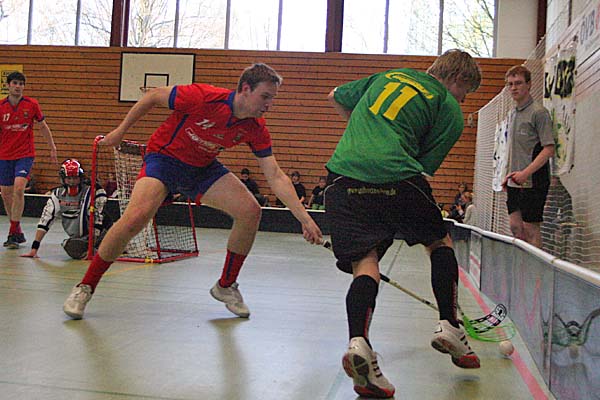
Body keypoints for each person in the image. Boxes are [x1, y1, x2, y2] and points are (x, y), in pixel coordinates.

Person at [62, 63, 322, 320]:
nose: (269, 104)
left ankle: (225, 286)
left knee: (250, 211)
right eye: (265, 96)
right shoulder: (205, 97)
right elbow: (153, 95)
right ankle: (85, 286)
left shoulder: (255, 127)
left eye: (272, 98)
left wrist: (305, 219)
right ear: (245, 89)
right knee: (135, 219)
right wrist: (120, 132)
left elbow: (275, 175)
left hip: (202, 168)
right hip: (164, 159)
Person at [325, 49, 482, 398]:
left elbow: (335, 95)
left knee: (365, 263)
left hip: (342, 176)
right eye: (465, 92)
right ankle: (449, 324)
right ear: (457, 79)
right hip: (397, 175)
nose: (462, 100)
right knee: (438, 242)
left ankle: (358, 343)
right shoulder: (447, 106)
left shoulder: (389, 75)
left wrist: (367, 133)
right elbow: (423, 167)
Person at [0, 71, 58, 249]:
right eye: (15, 83)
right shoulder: (1, 106)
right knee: (6, 194)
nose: (18, 86)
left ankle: (13, 231)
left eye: (21, 84)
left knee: (19, 188)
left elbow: (43, 127)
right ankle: (16, 230)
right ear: (8, 85)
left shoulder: (31, 104)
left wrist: (52, 147)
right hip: (4, 156)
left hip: (24, 155)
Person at [502, 65, 554, 248]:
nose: (513, 88)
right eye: (510, 84)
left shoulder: (539, 113)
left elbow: (548, 149)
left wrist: (525, 173)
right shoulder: (512, 114)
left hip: (533, 180)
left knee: (530, 229)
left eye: (518, 83)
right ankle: (521, 265)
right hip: (514, 180)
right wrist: (507, 175)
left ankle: (535, 267)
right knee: (515, 227)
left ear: (529, 84)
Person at [21, 159, 110, 259]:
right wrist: (34, 249)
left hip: (101, 233)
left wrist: (92, 245)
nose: (72, 182)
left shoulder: (94, 192)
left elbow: (98, 219)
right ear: (63, 179)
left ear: (80, 178)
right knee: (69, 246)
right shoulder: (57, 195)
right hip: (81, 239)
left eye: (75, 178)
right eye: (69, 178)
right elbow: (45, 220)